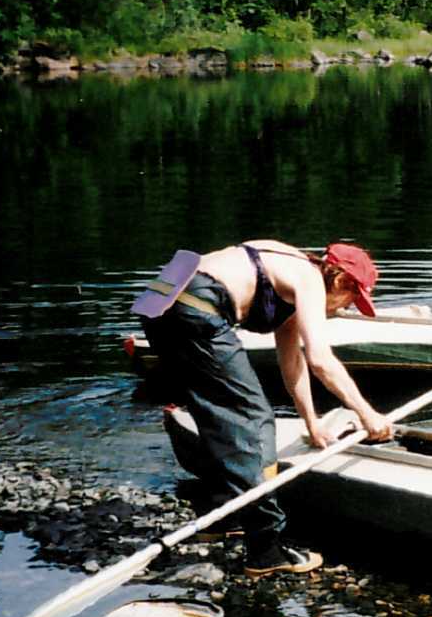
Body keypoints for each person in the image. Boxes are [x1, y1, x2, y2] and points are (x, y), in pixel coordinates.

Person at [133, 240, 394, 577]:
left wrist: (311, 422)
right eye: (352, 300)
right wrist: (366, 412)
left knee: (216, 412)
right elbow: (320, 359)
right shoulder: (310, 278)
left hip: (163, 294)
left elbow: (294, 362)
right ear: (342, 281)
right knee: (254, 420)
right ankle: (265, 548)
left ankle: (222, 515)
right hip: (196, 302)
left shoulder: (289, 279)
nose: (346, 308)